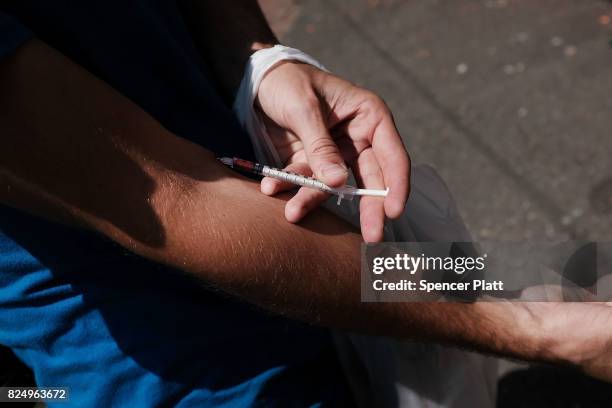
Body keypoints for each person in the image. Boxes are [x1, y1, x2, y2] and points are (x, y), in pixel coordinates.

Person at [1, 1, 612, 407]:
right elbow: (183, 202)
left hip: (315, 255)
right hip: (203, 376)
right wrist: (534, 326)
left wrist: (258, 57)